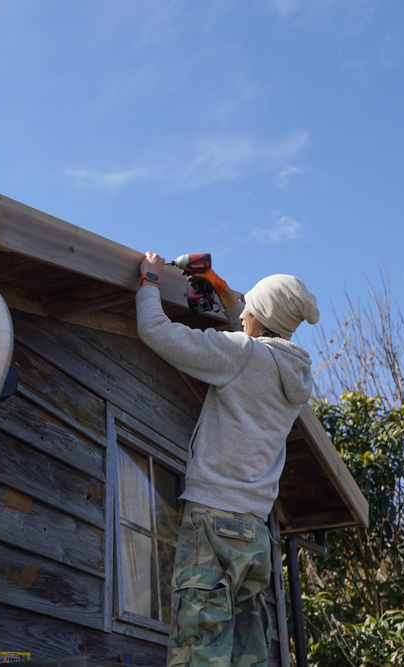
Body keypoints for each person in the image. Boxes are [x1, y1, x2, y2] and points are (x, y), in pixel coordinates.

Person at [134, 252, 319, 666]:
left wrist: (148, 282)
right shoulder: (295, 374)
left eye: (248, 307)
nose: (242, 313)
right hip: (254, 535)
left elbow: (155, 331)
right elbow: (257, 337)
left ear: (261, 316)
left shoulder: (241, 355)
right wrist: (220, 289)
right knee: (245, 656)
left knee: (199, 651)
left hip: (212, 522)